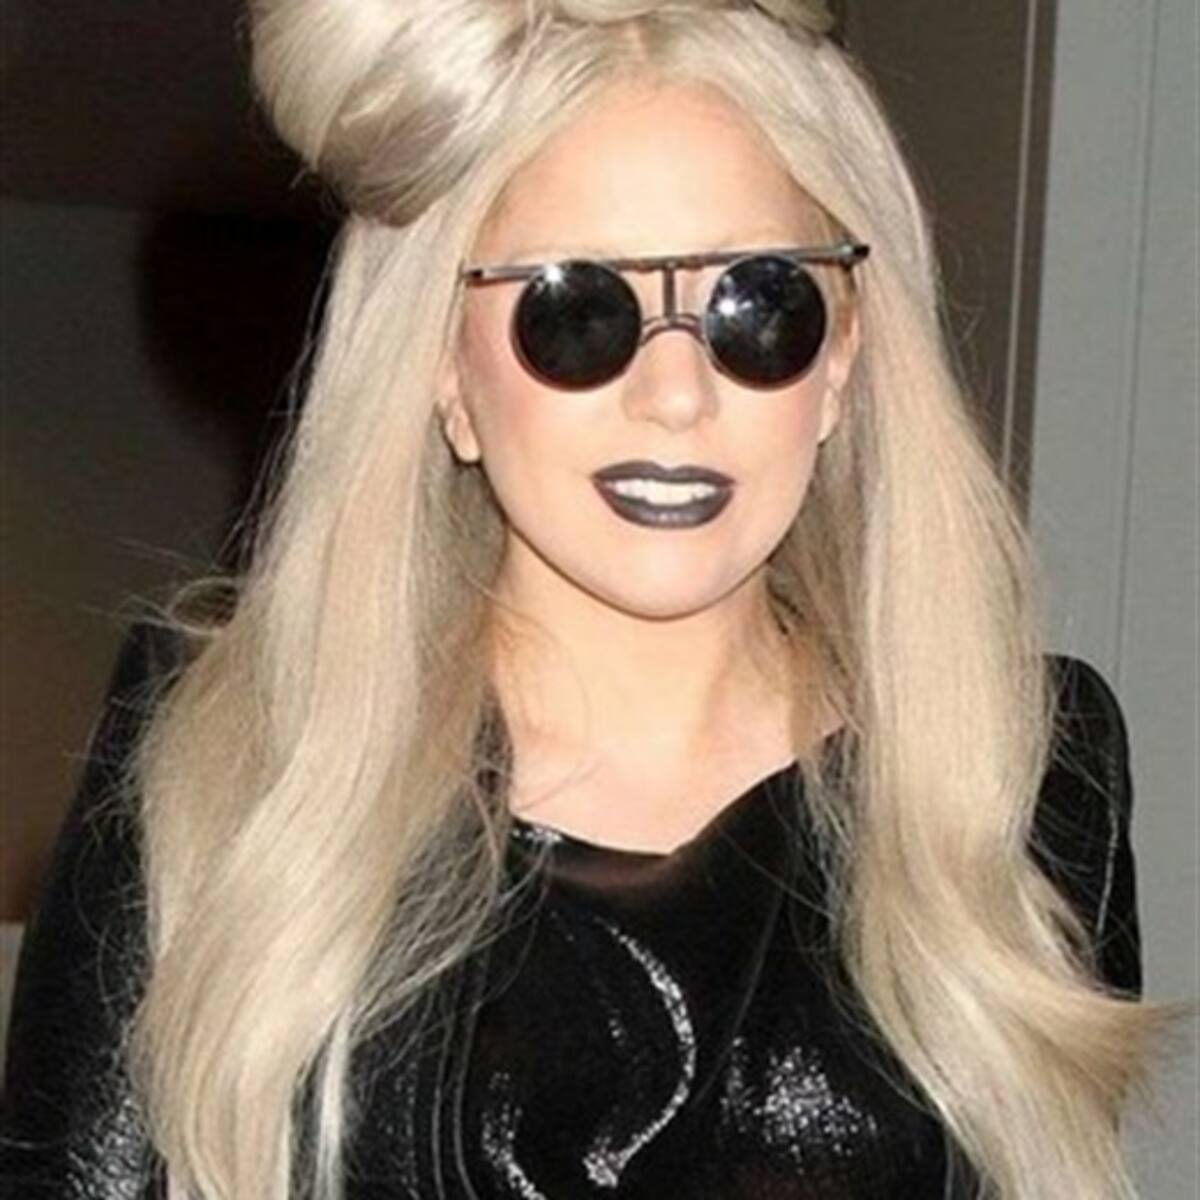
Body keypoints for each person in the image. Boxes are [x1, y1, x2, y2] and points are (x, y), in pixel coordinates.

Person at [1, 2, 1191, 1197]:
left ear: (840, 360)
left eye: (759, 305)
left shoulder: (1015, 776)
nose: (676, 393)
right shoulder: (231, 758)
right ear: (443, 367)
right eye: (575, 311)